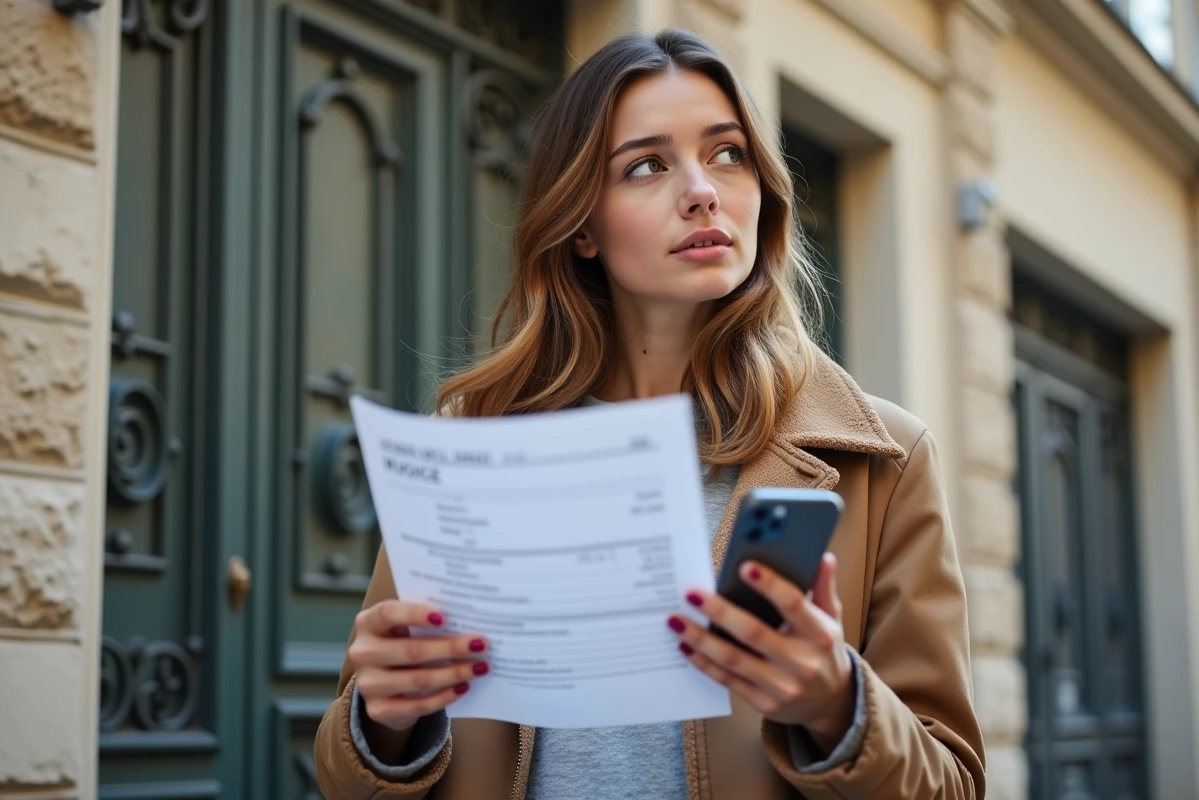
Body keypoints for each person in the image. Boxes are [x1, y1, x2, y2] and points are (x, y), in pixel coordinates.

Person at [314, 28, 985, 800]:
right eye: (646, 166)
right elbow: (346, 774)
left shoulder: (884, 459)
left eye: (728, 153)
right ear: (582, 226)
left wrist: (837, 706)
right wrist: (382, 721)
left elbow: (954, 786)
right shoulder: (468, 447)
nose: (702, 189)